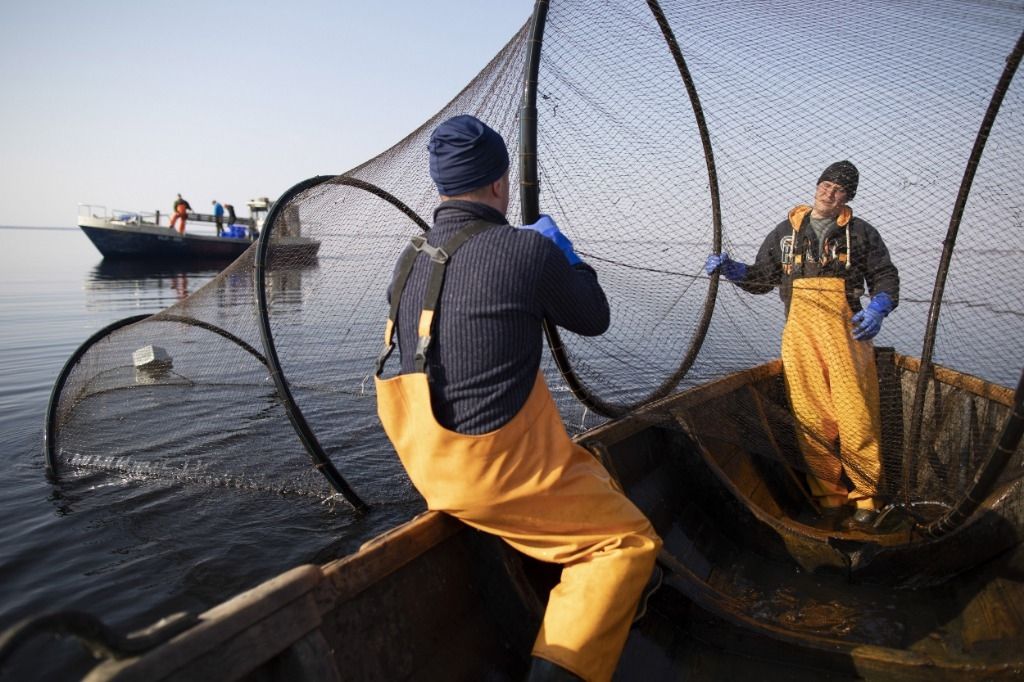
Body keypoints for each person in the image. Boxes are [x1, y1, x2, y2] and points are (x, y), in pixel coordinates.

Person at [374, 115, 661, 681]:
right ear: (499, 182)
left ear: (440, 185)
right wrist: (565, 254)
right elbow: (594, 317)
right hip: (495, 476)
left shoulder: (409, 259)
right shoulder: (526, 251)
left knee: (588, 468)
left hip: (427, 468)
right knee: (627, 543)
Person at [705, 160, 899, 533]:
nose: (829, 193)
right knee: (812, 421)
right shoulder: (785, 232)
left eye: (839, 190)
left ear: (847, 198)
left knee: (856, 416)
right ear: (817, 187)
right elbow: (763, 278)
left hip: (848, 336)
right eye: (826, 185)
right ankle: (829, 499)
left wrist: (879, 307)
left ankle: (867, 498)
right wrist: (734, 270)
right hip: (799, 337)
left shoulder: (861, 233)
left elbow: (885, 275)